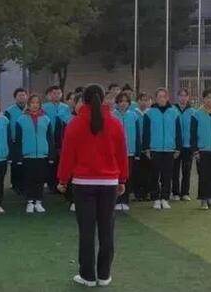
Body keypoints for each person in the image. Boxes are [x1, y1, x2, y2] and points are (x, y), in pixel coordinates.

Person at [57, 84, 129, 288]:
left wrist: (62, 180)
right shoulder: (115, 123)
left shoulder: (75, 124)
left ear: (83, 100)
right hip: (109, 183)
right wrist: (122, 179)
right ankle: (104, 275)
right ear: (103, 98)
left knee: (87, 231)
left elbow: (67, 155)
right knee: (107, 230)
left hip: (83, 183)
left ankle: (87, 275)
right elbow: (122, 154)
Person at [142, 88, 182, 210]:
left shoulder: (174, 112)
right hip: (155, 149)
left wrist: (178, 148)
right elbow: (146, 132)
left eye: (164, 96)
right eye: (159, 96)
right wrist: (146, 148)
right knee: (154, 175)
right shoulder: (149, 113)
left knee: (167, 175)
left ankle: (165, 198)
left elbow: (178, 132)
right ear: (156, 98)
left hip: (169, 149)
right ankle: (155, 198)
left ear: (167, 98)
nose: (162, 99)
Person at [14, 94, 54, 214]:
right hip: (27, 155)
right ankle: (30, 201)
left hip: (42, 155)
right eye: (32, 103)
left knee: (40, 179)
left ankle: (39, 201)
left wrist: (51, 155)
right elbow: (18, 140)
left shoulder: (46, 119)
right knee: (29, 179)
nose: (35, 105)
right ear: (29, 104)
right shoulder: (21, 120)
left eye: (37, 103)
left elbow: (50, 139)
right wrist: (18, 157)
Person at [112, 92, 141, 211]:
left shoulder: (134, 116)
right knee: (116, 176)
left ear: (129, 103)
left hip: (130, 152)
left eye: (125, 101)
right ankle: (116, 200)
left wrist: (137, 152)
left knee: (127, 176)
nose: (123, 103)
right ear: (117, 103)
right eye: (121, 101)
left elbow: (138, 135)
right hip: (115, 153)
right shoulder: (112, 115)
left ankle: (125, 200)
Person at [42, 85, 71, 193]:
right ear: (50, 95)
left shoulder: (66, 107)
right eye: (54, 93)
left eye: (58, 93)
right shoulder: (44, 107)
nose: (56, 95)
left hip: (62, 137)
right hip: (48, 137)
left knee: (61, 161)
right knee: (50, 161)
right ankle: (51, 185)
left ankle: (61, 183)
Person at [173, 88, 196, 201]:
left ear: (188, 97)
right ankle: (175, 193)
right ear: (177, 97)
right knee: (175, 170)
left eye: (185, 96)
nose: (183, 98)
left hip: (188, 146)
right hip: (175, 146)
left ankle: (185, 193)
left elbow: (195, 129)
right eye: (181, 95)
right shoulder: (172, 110)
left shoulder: (193, 112)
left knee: (186, 170)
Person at [4, 88, 28, 195]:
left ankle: (25, 184)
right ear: (15, 98)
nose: (22, 97)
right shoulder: (9, 111)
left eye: (23, 95)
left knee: (26, 163)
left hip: (27, 141)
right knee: (15, 163)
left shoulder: (30, 109)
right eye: (19, 95)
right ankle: (15, 184)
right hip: (14, 141)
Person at [134, 93, 154, 201]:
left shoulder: (151, 113)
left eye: (146, 100)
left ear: (150, 101)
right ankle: (138, 193)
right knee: (137, 172)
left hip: (148, 148)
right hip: (136, 148)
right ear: (137, 101)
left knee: (148, 171)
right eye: (141, 100)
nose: (144, 102)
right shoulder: (133, 113)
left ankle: (147, 192)